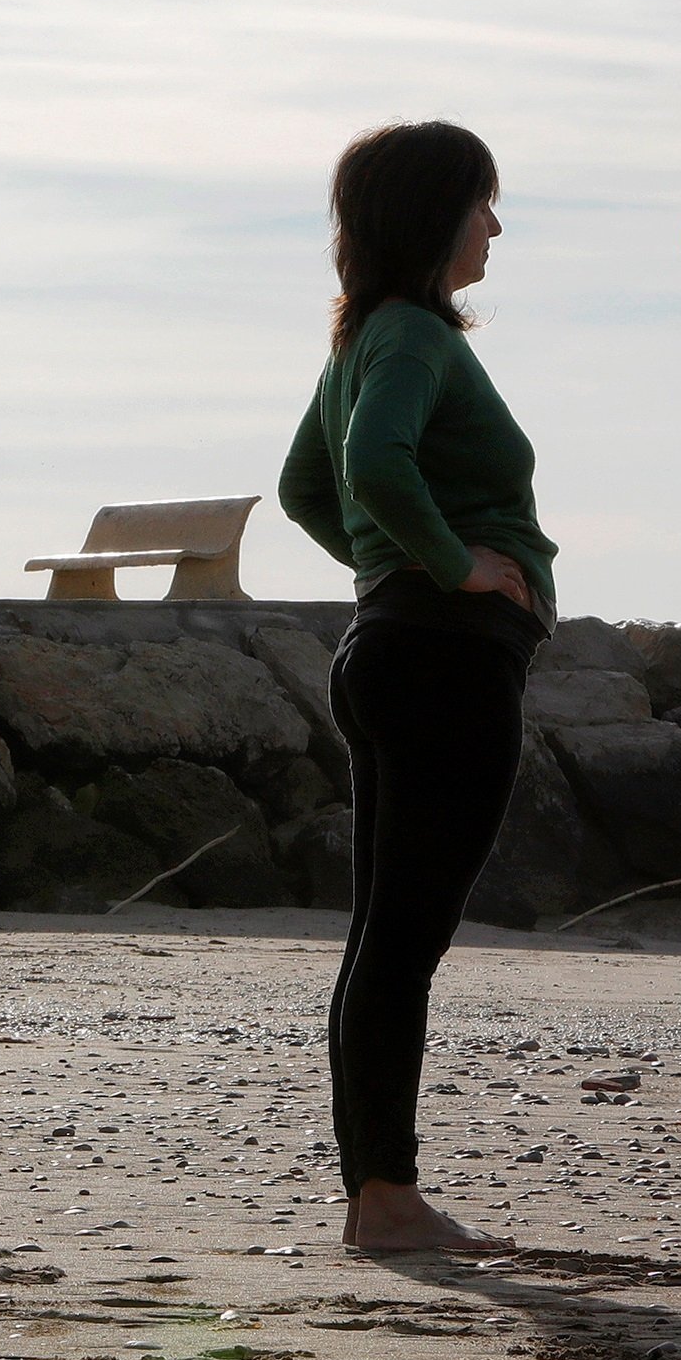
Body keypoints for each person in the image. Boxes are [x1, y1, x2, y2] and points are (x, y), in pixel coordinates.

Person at [277, 122, 558, 1257]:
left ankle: (375, 1196)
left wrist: (385, 569)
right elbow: (365, 469)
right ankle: (385, 1202)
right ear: (434, 215)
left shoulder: (369, 338)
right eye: (482, 204)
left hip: (389, 650)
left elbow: (307, 486)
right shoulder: (412, 338)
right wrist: (452, 566)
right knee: (403, 942)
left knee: (381, 939)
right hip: (441, 657)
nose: (494, 225)